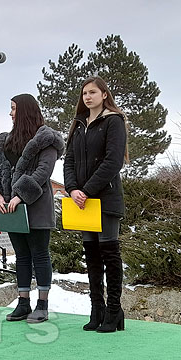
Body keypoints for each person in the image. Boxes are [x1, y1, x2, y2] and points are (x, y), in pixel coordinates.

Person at [0, 93, 64, 324]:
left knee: (39, 254)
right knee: (21, 255)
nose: (10, 113)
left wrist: (21, 194)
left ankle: (42, 304)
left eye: (14, 108)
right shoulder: (7, 141)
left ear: (25, 110)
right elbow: (0, 170)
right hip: (11, 208)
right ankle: (23, 303)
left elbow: (43, 171)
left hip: (37, 205)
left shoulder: (46, 139)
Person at [63, 77, 128, 333]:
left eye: (92, 92)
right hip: (82, 201)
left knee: (109, 253)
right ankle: (96, 309)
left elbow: (113, 161)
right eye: (84, 93)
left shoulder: (114, 121)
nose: (87, 97)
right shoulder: (79, 123)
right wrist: (72, 189)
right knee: (91, 256)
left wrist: (87, 190)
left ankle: (114, 310)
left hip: (105, 198)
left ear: (104, 94)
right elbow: (69, 161)